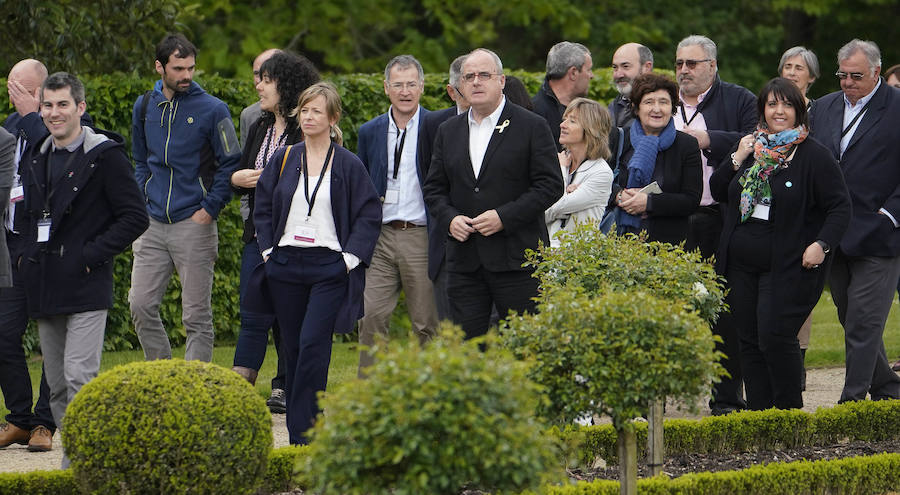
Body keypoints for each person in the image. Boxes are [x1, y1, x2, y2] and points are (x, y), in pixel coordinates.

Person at [18, 72, 148, 466]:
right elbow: (28, 215)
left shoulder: (105, 156)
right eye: (47, 105)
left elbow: (134, 217)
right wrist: (27, 257)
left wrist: (88, 256)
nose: (54, 113)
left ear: (80, 107)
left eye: (63, 104)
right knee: (57, 386)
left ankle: (85, 467)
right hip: (45, 284)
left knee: (79, 376)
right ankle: (78, 460)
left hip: (87, 285)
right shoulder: (36, 154)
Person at [251, 82, 381, 444]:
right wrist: (268, 251)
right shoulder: (284, 158)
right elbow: (263, 205)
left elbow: (369, 213)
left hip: (329, 267)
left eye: (316, 112)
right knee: (292, 348)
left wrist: (349, 259)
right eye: (304, 110)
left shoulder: (348, 163)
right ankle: (301, 435)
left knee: (313, 344)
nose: (308, 117)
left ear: (332, 118)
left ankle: (309, 430)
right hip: (285, 263)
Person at [710, 77, 851, 410]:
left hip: (786, 263)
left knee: (774, 335)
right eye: (772, 104)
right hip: (740, 263)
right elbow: (718, 191)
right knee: (747, 339)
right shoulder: (752, 148)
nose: (779, 111)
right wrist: (737, 156)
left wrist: (822, 244)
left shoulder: (814, 155)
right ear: (762, 110)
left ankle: (787, 415)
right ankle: (761, 416)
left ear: (799, 110)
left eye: (787, 104)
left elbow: (840, 207)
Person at [423, 48, 563, 339]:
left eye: (484, 75)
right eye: (469, 76)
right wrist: (450, 219)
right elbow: (434, 188)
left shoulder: (531, 125)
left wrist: (504, 217)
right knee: (467, 350)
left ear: (501, 81)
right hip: (465, 261)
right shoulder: (448, 131)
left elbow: (550, 185)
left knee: (523, 346)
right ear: (460, 85)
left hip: (518, 259)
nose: (476, 82)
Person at [129, 34, 241, 362]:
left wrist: (210, 208)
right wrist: (142, 197)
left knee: (196, 316)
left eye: (191, 68)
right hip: (151, 223)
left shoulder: (214, 109)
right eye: (178, 69)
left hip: (194, 222)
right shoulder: (144, 106)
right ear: (159, 67)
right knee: (140, 305)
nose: (186, 75)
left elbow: (231, 163)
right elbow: (140, 159)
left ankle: (195, 384)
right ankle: (163, 375)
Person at [809, 39, 900, 402]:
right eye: (842, 75)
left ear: (877, 72)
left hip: (880, 233)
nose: (847, 82)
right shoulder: (824, 107)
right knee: (851, 317)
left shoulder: (897, 107)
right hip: (834, 232)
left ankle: (852, 402)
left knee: (863, 320)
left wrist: (890, 215)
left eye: (856, 76)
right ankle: (888, 388)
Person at [230, 51, 319, 413]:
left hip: (295, 240)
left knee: (292, 321)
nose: (259, 86)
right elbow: (241, 174)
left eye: (266, 80)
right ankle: (235, 399)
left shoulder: (307, 128)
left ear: (285, 84)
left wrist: (266, 180)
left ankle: (296, 394)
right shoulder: (260, 127)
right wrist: (237, 179)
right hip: (258, 236)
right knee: (251, 317)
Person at [674, 35, 757, 415]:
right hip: (670, 218)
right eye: (679, 63)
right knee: (666, 307)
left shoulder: (738, 99)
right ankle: (653, 402)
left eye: (692, 63)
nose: (684, 70)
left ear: (712, 65)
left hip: (719, 218)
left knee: (724, 311)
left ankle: (726, 398)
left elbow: (755, 141)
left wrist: (708, 139)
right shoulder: (663, 100)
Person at [355, 55, 437, 375]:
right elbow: (362, 183)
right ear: (386, 87)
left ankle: (430, 390)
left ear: (422, 87)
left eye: (411, 84)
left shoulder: (437, 126)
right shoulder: (369, 131)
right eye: (398, 84)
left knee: (426, 322)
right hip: (380, 236)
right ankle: (370, 393)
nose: (405, 91)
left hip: (421, 234)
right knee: (370, 316)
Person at [0, 59, 63, 452]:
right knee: (3, 333)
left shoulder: (58, 123)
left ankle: (44, 422)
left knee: (53, 336)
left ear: (40, 91)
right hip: (11, 246)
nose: (12, 95)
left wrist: (32, 116)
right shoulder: (11, 124)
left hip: (46, 250)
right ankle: (19, 417)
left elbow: (54, 160)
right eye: (9, 86)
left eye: (19, 88)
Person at [613, 73, 701, 244]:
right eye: (649, 102)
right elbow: (601, 183)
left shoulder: (687, 145)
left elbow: (691, 200)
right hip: (618, 239)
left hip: (666, 245)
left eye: (663, 102)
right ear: (636, 108)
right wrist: (619, 196)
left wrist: (649, 202)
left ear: (672, 107)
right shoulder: (620, 138)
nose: (657, 109)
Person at [778, 45, 821, 389]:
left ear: (812, 77)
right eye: (787, 66)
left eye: (799, 68)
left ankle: (798, 362)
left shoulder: (821, 114)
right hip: (772, 214)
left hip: (807, 212)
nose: (792, 72)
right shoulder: (769, 111)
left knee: (800, 290)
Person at [420, 55, 469, 321]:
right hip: (447, 237)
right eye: (466, 84)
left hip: (492, 234)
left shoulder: (512, 122)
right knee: (449, 324)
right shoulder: (434, 124)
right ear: (452, 91)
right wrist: (449, 218)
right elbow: (430, 179)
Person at [545, 98, 613, 246]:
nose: (562, 125)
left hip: (575, 256)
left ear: (591, 129)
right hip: (544, 250)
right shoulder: (558, 160)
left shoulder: (601, 172)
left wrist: (562, 172)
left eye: (572, 121)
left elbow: (552, 207)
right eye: (565, 119)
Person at [532, 41, 594, 151]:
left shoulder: (587, 110)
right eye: (589, 70)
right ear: (573, 73)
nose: (592, 76)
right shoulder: (535, 114)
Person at [240, 48, 280, 145]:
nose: (259, 82)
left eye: (266, 75)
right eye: (256, 74)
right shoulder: (249, 115)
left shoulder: (304, 114)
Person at [609, 43, 654, 127]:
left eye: (625, 66)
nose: (619, 75)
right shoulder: (614, 106)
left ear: (647, 68)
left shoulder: (661, 107)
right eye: (615, 68)